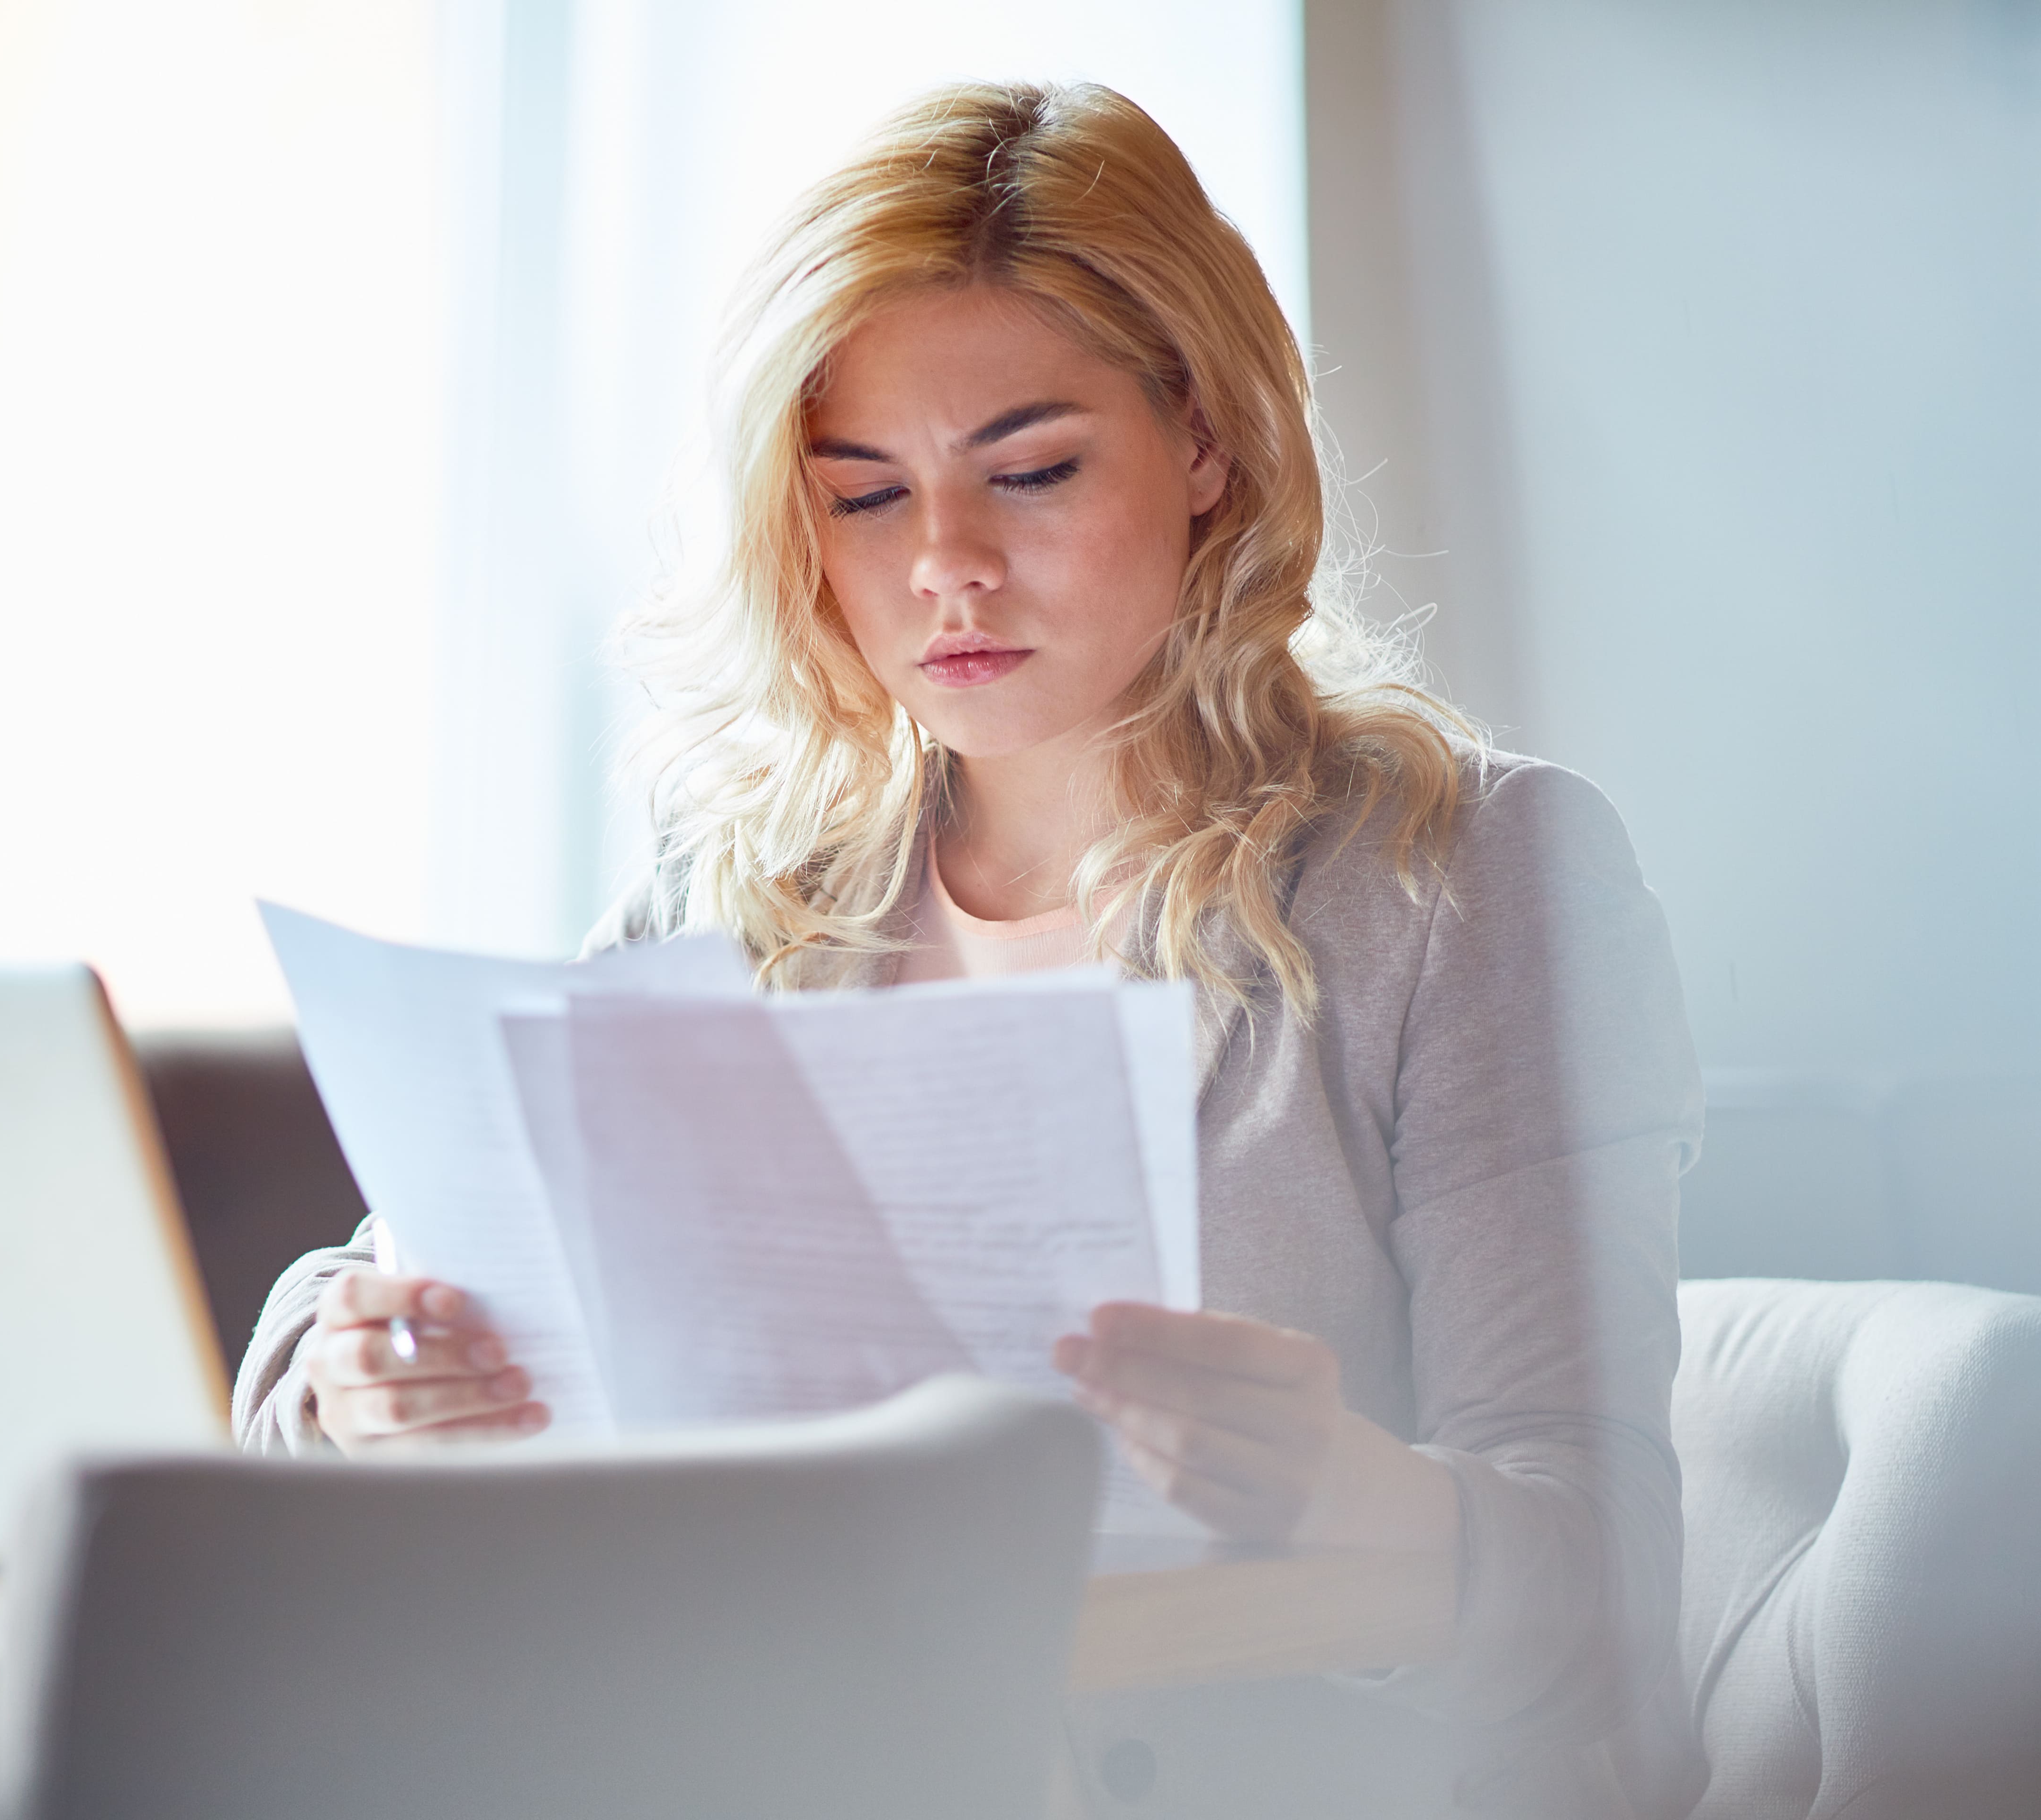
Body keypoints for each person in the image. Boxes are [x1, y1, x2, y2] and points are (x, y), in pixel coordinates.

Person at [234, 81, 1702, 1818]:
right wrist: (353, 1382)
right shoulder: (741, 885)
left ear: (1209, 443)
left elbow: (1604, 1582)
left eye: (1032, 472)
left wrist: (1344, 1491)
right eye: (864, 496)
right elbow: (356, 1308)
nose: (946, 566)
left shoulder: (1465, 879)